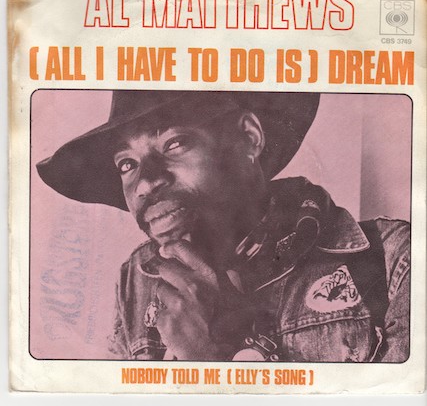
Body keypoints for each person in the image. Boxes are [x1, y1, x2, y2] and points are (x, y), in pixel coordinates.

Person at [37, 90, 410, 362]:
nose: (146, 183)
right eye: (127, 164)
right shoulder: (135, 279)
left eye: (174, 144)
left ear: (249, 137)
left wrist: (206, 361)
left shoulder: (394, 260)